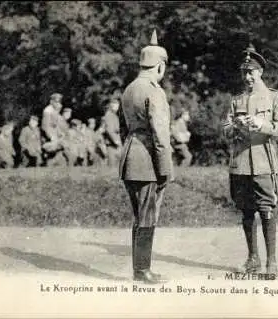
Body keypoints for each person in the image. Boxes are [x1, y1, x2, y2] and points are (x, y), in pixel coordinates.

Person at [223, 44, 278, 277]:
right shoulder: (237, 99)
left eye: (251, 72)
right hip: (240, 164)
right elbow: (225, 129)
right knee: (246, 211)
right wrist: (235, 127)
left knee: (266, 209)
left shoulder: (273, 97)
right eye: (244, 72)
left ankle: (271, 261)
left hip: (263, 162)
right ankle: (253, 259)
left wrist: (262, 125)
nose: (247, 77)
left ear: (260, 71)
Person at [118, 29, 172, 284]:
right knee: (148, 215)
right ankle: (142, 271)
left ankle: (139, 269)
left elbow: (122, 129)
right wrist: (165, 169)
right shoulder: (154, 91)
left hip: (130, 156)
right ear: (159, 66)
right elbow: (161, 134)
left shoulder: (128, 90)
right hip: (148, 160)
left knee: (139, 216)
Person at [103, 99, 122, 167]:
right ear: (111, 105)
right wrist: (116, 141)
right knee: (112, 167)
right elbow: (109, 130)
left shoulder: (113, 115)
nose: (117, 108)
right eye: (116, 106)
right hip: (112, 145)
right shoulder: (109, 115)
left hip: (114, 144)